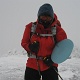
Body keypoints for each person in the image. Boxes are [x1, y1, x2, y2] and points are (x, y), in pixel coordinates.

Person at [21, 3, 67, 80]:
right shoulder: (31, 27)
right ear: (39, 16)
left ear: (52, 17)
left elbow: (63, 48)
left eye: (48, 17)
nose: (45, 19)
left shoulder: (58, 31)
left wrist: (53, 60)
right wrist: (30, 47)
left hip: (50, 65)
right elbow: (24, 42)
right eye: (43, 16)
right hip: (32, 64)